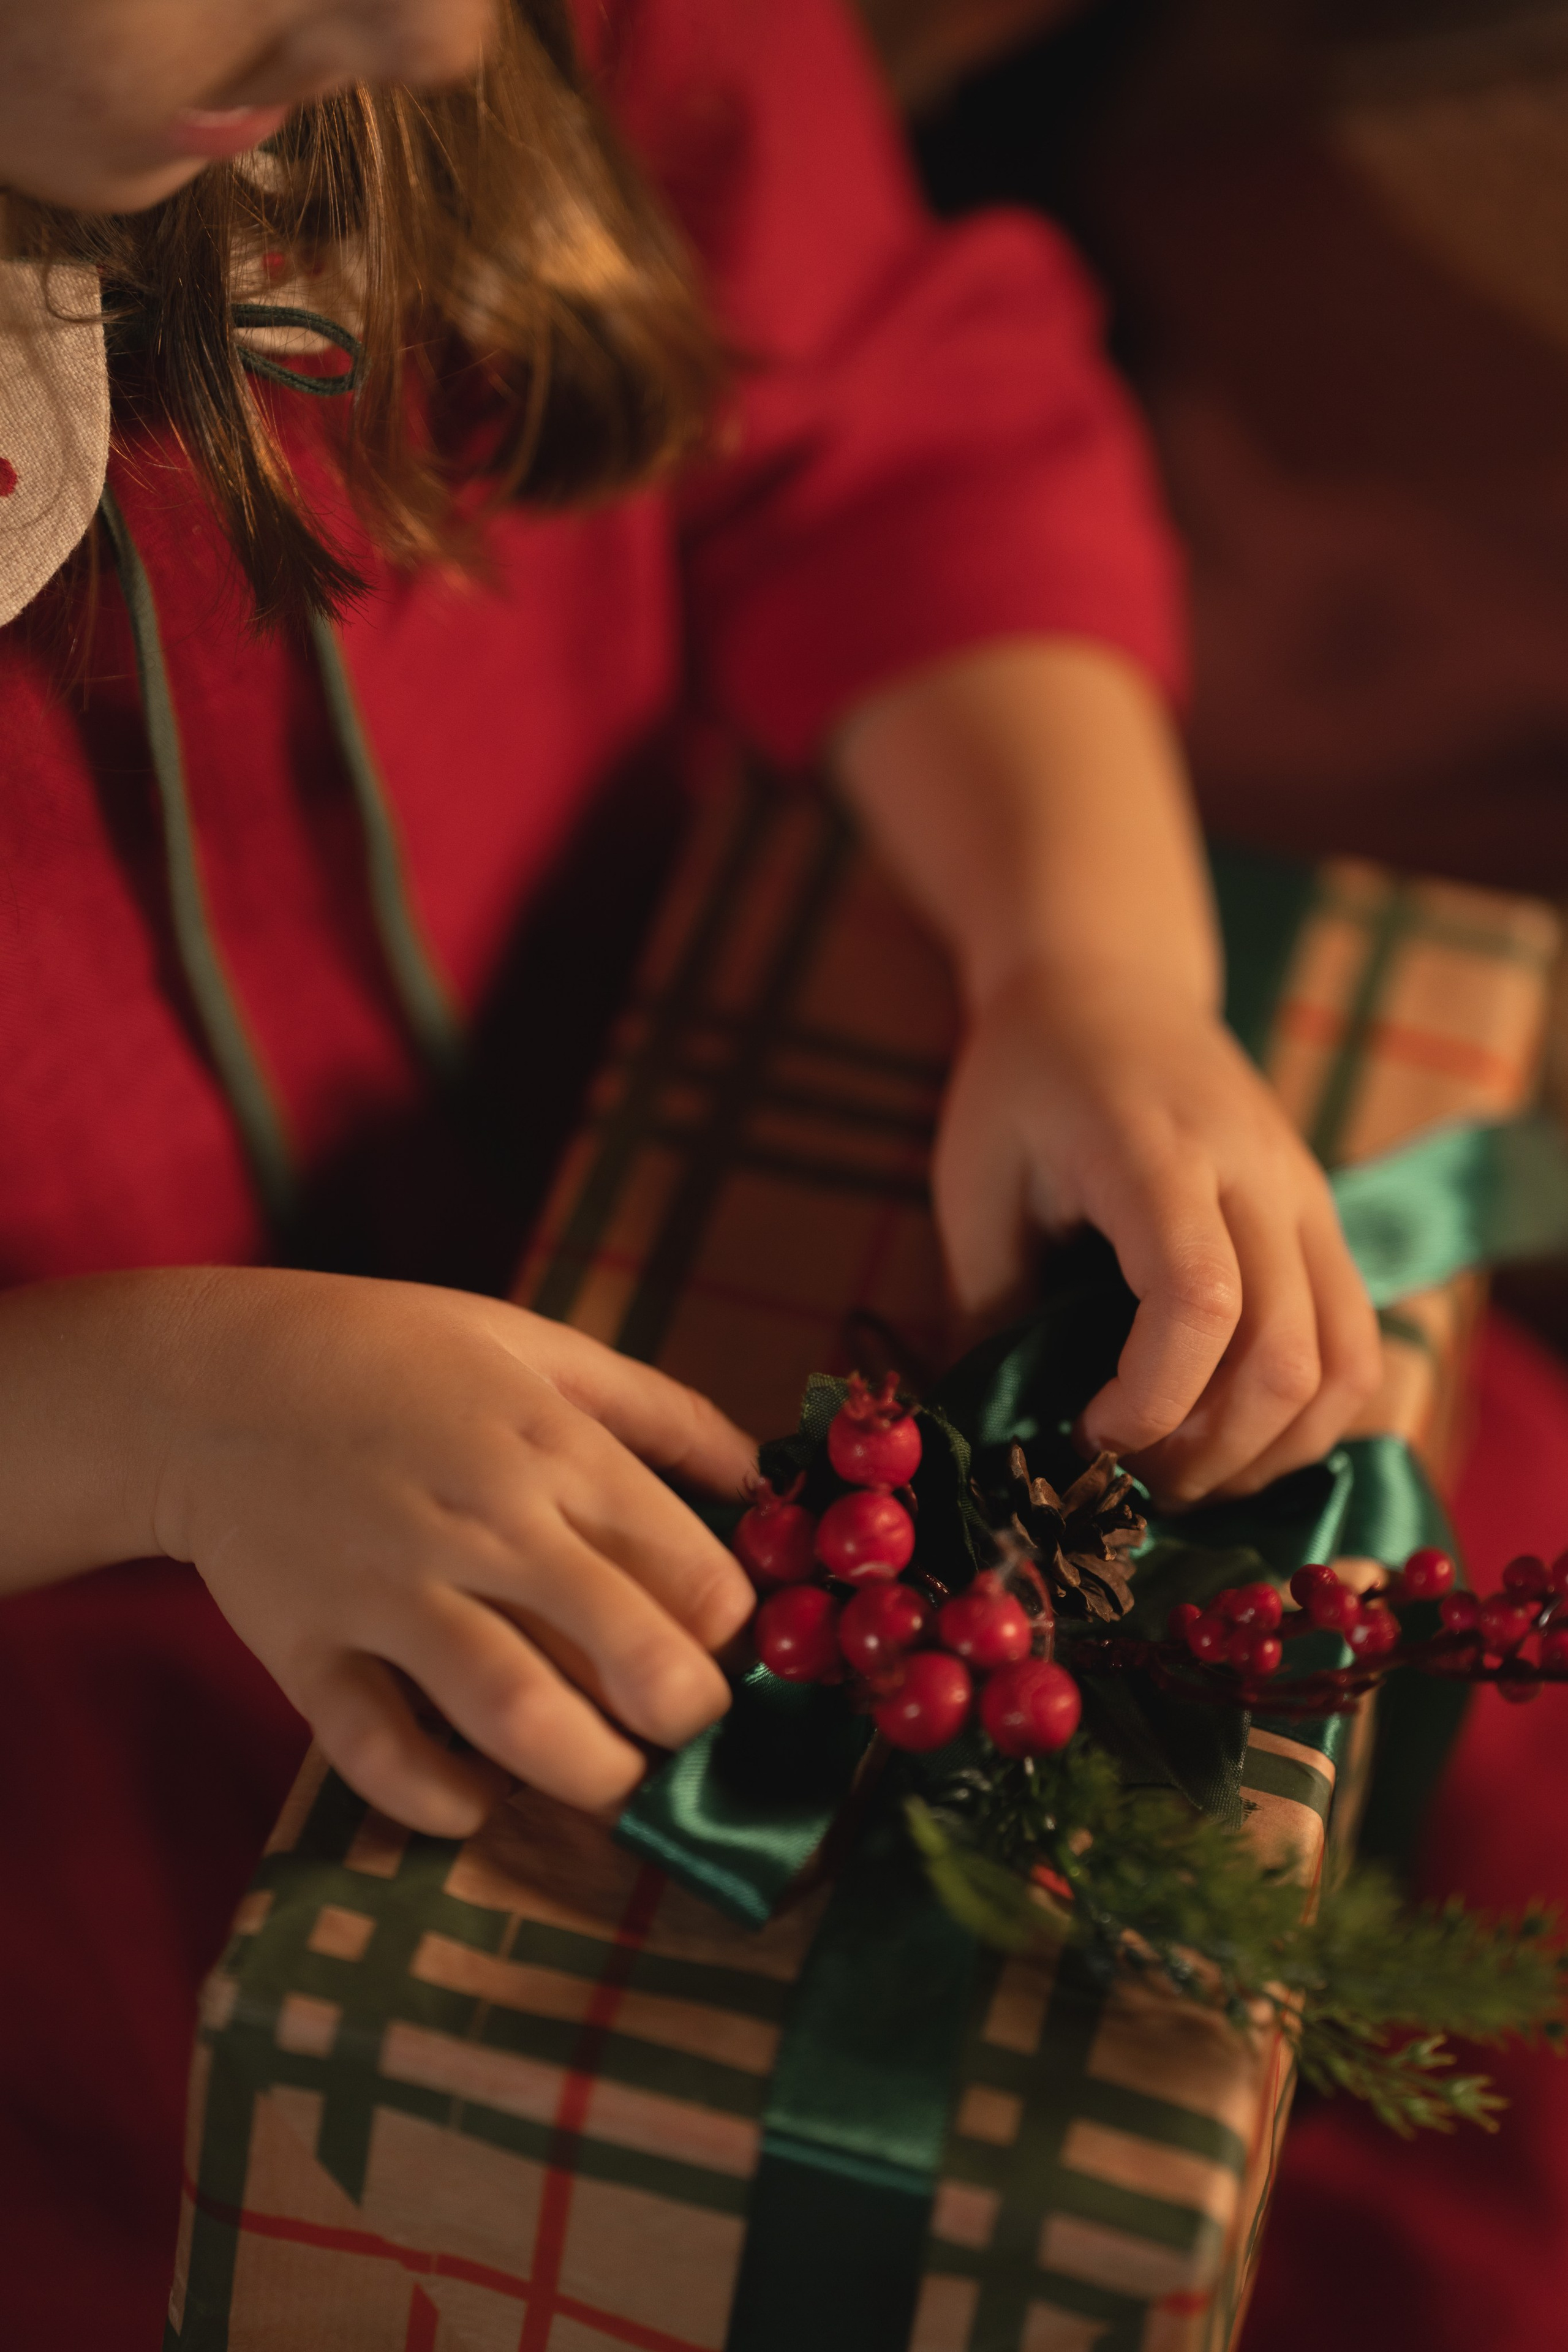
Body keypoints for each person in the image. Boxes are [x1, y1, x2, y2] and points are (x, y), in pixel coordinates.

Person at [0, 0, 1382, 2334]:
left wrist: (1090, 962)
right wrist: (144, 1408)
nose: (437, 37)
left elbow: (886, 428)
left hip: (735, 1177)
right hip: (123, 1702)